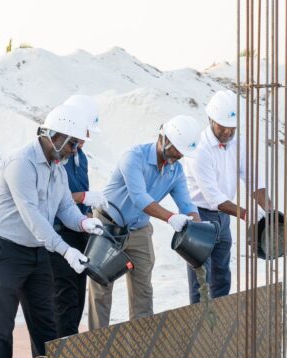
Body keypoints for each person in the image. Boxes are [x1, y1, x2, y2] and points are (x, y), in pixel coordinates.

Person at [0, 103, 105, 358]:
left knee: (46, 324)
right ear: (55, 135)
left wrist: (84, 223)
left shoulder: (57, 168)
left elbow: (65, 207)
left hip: (36, 250)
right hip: (4, 249)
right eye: (73, 144)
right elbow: (33, 217)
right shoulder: (21, 163)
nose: (75, 150)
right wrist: (66, 250)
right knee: (2, 325)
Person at [87, 115, 203, 331]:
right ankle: (97, 340)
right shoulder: (133, 158)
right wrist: (171, 218)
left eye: (182, 152)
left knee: (143, 289)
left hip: (139, 229)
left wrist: (197, 226)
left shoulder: (176, 171)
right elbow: (139, 198)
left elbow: (187, 205)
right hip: (108, 225)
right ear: (164, 139)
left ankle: (141, 341)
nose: (179, 155)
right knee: (102, 287)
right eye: (177, 149)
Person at [184, 89, 269, 304]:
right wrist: (246, 214)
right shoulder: (199, 149)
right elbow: (214, 197)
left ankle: (220, 319)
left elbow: (254, 180)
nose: (228, 132)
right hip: (199, 216)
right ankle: (201, 319)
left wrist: (270, 213)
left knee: (222, 273)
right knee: (201, 276)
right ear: (210, 119)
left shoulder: (238, 142)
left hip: (223, 217)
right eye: (223, 127)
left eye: (232, 128)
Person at [48, 94, 108, 337]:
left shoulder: (80, 157)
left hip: (79, 232)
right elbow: (53, 199)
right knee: (63, 301)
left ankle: (70, 346)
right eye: (84, 132)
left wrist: (90, 216)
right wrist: (83, 197)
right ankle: (60, 352)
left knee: (77, 300)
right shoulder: (56, 158)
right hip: (58, 235)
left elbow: (81, 197)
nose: (87, 138)